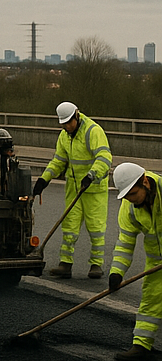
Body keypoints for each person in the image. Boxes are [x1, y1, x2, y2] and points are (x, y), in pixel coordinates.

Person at [31, 101, 112, 279]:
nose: (67, 127)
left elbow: (105, 158)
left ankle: (96, 265)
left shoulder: (93, 131)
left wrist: (92, 175)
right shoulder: (64, 136)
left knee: (96, 227)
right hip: (74, 187)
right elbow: (59, 161)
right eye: (63, 124)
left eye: (69, 123)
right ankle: (65, 264)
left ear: (77, 115)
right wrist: (44, 179)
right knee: (69, 226)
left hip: (94, 188)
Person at [107, 162, 162, 361]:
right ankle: (141, 345)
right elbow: (125, 242)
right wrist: (116, 273)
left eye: (133, 194)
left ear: (145, 183)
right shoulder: (129, 208)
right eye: (127, 196)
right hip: (157, 263)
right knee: (150, 301)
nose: (130, 200)